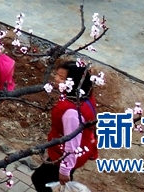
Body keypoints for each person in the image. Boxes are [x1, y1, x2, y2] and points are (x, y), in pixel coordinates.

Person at [31, 61, 99, 192]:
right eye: (57, 75)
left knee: (39, 179)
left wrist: (65, 169)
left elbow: (71, 142)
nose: (56, 79)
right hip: (79, 149)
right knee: (57, 183)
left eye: (62, 78)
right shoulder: (83, 96)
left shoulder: (71, 112)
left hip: (65, 154)